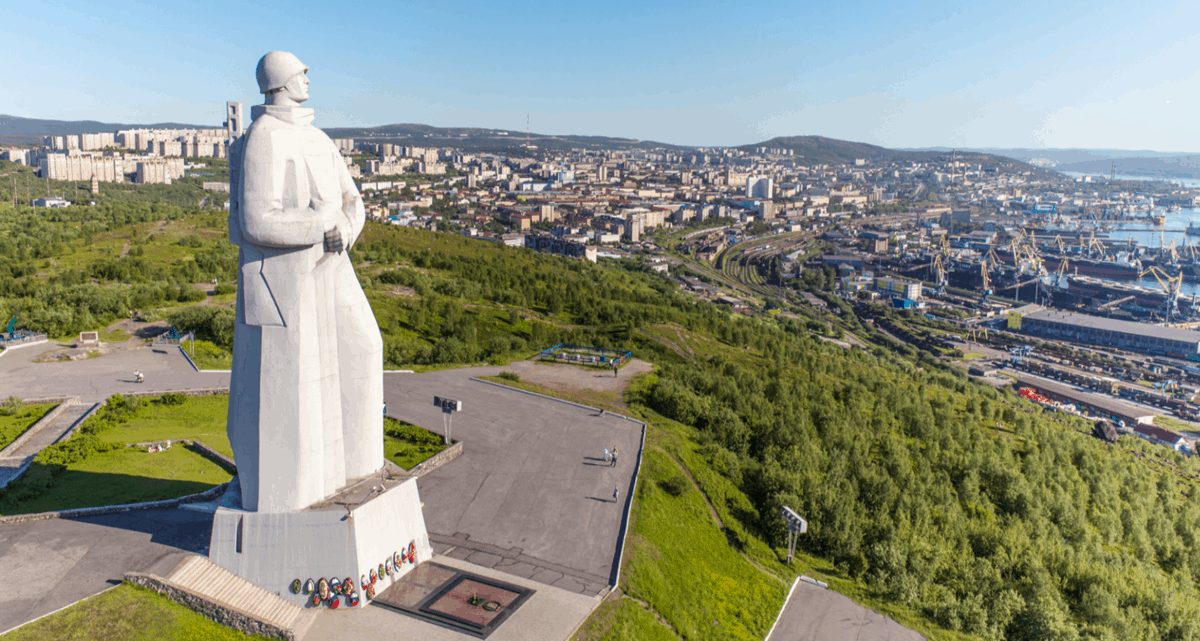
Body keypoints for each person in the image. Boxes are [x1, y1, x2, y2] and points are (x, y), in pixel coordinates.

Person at [227, 51, 384, 512]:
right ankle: (295, 493)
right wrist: (318, 225)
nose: (308, 76)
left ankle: (360, 467)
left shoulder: (317, 137)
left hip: (333, 265)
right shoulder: (265, 137)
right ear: (279, 81)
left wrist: (346, 231)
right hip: (287, 278)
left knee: (364, 345)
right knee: (293, 388)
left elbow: (353, 201)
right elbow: (255, 221)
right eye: (300, 71)